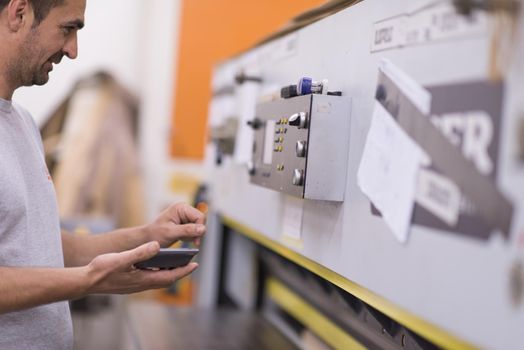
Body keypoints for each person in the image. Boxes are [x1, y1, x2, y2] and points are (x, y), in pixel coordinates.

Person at [0, 0, 206, 348]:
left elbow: (50, 247)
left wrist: (148, 235)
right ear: (19, 13)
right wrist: (92, 279)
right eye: (68, 28)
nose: (73, 50)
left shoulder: (23, 123)